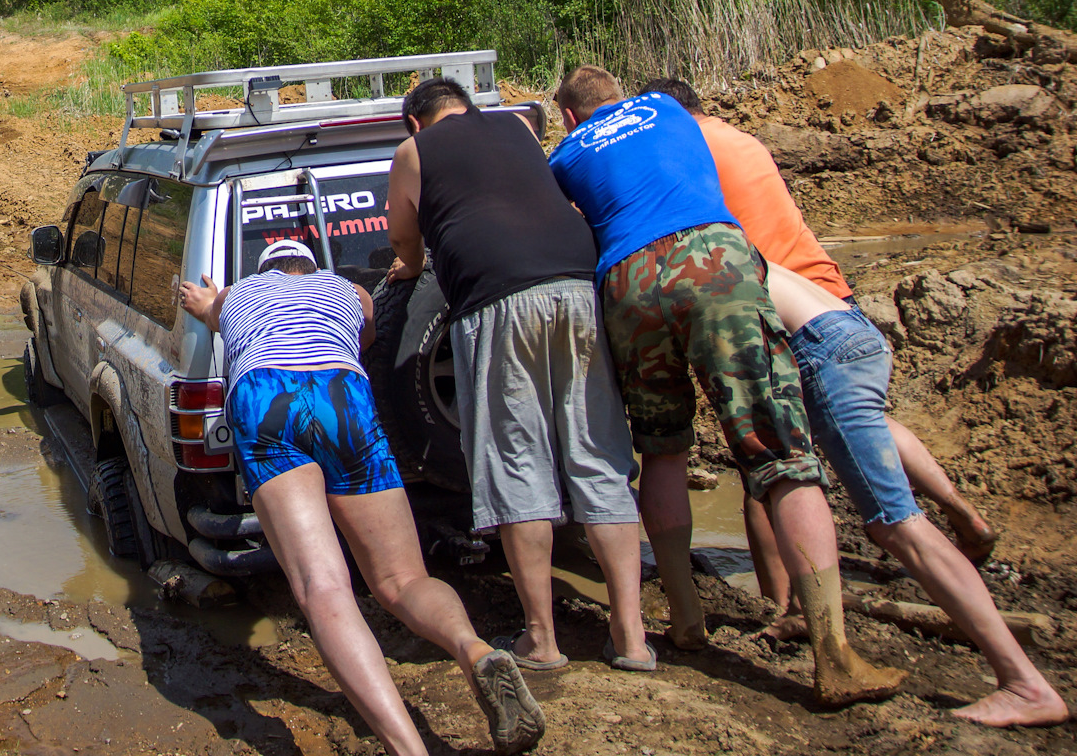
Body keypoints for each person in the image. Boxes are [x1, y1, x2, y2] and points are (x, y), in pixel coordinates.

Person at [548, 64, 904, 706]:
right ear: (620, 96)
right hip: (710, 259)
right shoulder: (664, 108)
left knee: (661, 449)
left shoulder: (566, 154)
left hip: (626, 279)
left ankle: (685, 619)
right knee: (781, 453)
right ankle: (834, 655)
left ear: (570, 116)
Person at [638, 77, 999, 632]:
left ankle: (783, 606)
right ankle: (960, 511)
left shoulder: (688, 151)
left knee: (763, 459)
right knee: (867, 421)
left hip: (773, 309)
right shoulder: (741, 138)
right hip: (827, 294)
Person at [180, 238, 545, 756]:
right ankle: (476, 650)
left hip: (266, 395)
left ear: (266, 271)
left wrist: (205, 301)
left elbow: (207, 310)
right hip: (342, 394)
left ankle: (408, 749)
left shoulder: (239, 293)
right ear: (312, 268)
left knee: (324, 588)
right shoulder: (350, 291)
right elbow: (366, 336)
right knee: (404, 580)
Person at [384, 78, 653, 673]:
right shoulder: (519, 126)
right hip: (578, 286)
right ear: (468, 106)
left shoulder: (413, 151)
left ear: (415, 122)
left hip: (496, 298)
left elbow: (404, 236)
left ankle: (542, 641)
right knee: (597, 455)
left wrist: (412, 265)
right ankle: (632, 639)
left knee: (516, 464)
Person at [764, 263, 1068, 727]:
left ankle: (1024, 685)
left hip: (821, 352)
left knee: (897, 523)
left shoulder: (686, 250)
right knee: (893, 511)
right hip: (848, 331)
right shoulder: (711, 232)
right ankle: (806, 610)